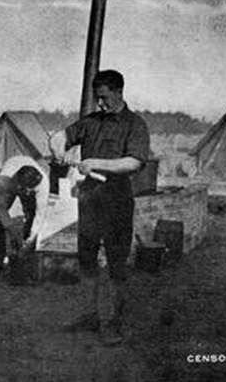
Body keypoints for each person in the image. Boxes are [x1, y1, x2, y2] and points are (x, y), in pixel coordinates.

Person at [49, 69, 150, 346]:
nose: (101, 104)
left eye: (105, 98)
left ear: (119, 92)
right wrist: (58, 148)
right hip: (90, 201)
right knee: (87, 260)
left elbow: (135, 162)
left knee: (116, 264)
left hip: (117, 201)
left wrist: (96, 163)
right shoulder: (91, 122)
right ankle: (91, 315)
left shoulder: (134, 124)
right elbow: (60, 136)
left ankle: (114, 323)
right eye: (97, 99)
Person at [0, 156, 48, 280]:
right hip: (10, 183)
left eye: (29, 191)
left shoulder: (43, 184)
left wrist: (31, 238)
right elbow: (1, 208)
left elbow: (40, 214)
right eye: (24, 190)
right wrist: (11, 228)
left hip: (26, 184)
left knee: (31, 216)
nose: (26, 194)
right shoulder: (4, 181)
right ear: (17, 182)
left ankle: (27, 257)